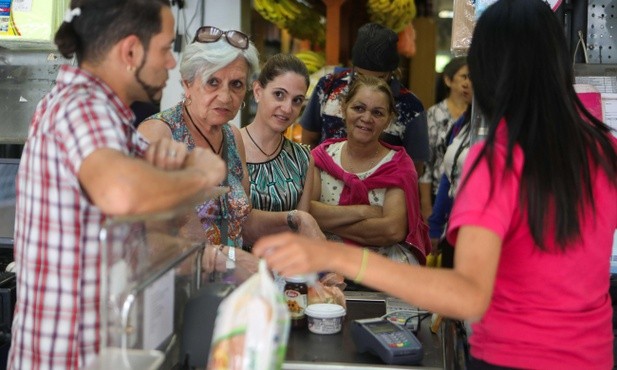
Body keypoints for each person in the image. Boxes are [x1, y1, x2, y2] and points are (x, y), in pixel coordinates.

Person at [253, 1, 617, 369]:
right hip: (593, 354)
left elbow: (468, 296)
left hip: (513, 355)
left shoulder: (497, 160)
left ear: (490, 69)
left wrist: (336, 256)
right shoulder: (605, 148)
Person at [9, 1, 227, 369]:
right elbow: (121, 193)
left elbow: (149, 225)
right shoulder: (84, 107)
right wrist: (201, 174)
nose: (171, 62)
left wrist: (173, 172)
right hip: (68, 358)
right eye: (165, 48)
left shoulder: (109, 120)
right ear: (130, 51)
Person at [138, 28, 322, 252]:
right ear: (187, 84)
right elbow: (147, 238)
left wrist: (296, 218)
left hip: (226, 282)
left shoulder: (232, 137)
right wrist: (226, 260)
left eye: (236, 84)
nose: (225, 97)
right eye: (212, 82)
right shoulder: (158, 134)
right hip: (179, 283)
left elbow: (242, 223)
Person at [310, 75, 430, 265]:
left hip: (380, 277)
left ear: (388, 119)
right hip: (325, 271)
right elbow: (308, 212)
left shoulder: (398, 164)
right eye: (358, 108)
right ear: (343, 109)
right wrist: (364, 212)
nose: (366, 118)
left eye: (377, 113)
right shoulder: (322, 156)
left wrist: (329, 222)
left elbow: (392, 230)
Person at [299, 22, 429, 176]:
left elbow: (414, 169)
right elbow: (308, 139)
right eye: (361, 76)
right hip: (323, 184)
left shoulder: (411, 108)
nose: (369, 85)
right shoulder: (328, 87)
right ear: (352, 67)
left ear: (391, 72)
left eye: (379, 79)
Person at [241, 53, 316, 214]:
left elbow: (302, 226)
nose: (288, 109)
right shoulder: (228, 146)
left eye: (297, 100)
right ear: (257, 91)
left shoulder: (303, 159)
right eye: (279, 95)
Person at [419, 56, 472, 221]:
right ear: (448, 80)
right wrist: (426, 205)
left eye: (472, 77)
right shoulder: (435, 114)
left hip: (467, 194)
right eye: (463, 77)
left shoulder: (475, 116)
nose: (467, 82)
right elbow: (426, 163)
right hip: (438, 194)